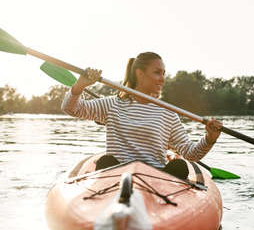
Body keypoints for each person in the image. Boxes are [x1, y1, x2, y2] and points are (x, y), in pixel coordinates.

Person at [61, 52, 222, 178]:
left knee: (180, 166)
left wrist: (209, 139)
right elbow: (71, 109)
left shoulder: (168, 113)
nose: (162, 79)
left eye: (163, 73)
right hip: (115, 177)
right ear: (140, 74)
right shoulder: (113, 104)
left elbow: (190, 153)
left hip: (158, 180)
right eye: (157, 73)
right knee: (105, 162)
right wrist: (79, 86)